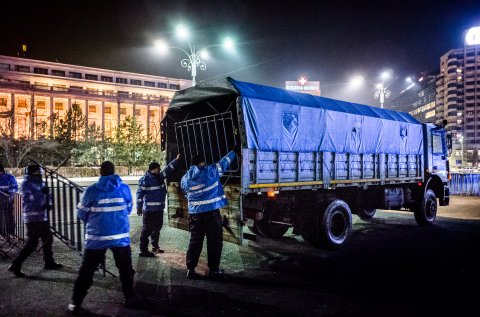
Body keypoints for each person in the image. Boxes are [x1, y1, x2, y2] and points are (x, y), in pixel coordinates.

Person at [68, 161, 135, 314]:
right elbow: (128, 208)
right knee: (125, 269)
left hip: (96, 238)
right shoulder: (124, 188)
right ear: (114, 172)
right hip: (120, 237)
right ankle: (129, 297)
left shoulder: (91, 190)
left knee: (87, 271)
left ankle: (76, 303)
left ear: (100, 172)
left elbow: (81, 214)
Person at [180, 150, 236, 279]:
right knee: (214, 241)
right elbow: (224, 163)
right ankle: (214, 270)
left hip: (195, 214)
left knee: (195, 241)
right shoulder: (210, 171)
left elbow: (185, 193)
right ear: (202, 162)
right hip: (211, 212)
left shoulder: (185, 179)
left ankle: (191, 269)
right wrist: (234, 152)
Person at [7, 164, 62, 277]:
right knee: (32, 244)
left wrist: (48, 202)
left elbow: (48, 196)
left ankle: (49, 262)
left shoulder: (41, 182)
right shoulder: (27, 184)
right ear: (34, 172)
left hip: (42, 216)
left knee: (48, 239)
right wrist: (42, 196)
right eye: (39, 171)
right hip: (33, 217)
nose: (41, 173)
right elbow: (29, 200)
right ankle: (15, 265)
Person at [137, 155, 180, 257]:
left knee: (157, 228)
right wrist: (139, 207)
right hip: (149, 211)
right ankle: (143, 250)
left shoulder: (160, 176)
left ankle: (155, 246)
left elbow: (169, 168)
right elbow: (139, 194)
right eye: (158, 168)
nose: (160, 170)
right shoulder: (145, 179)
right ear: (154, 169)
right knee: (147, 230)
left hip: (159, 210)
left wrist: (176, 159)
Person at [0, 164, 18, 237]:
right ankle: (2, 233)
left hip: (8, 201)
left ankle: (11, 232)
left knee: (9, 217)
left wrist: (9, 194)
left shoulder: (10, 177)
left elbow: (14, 187)